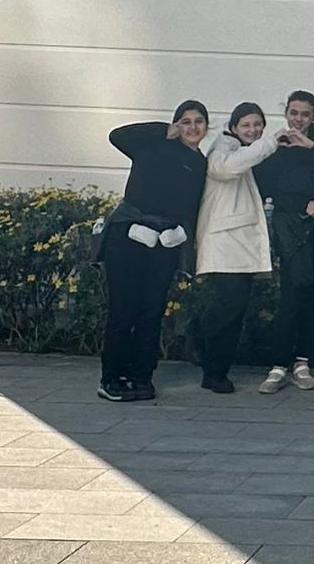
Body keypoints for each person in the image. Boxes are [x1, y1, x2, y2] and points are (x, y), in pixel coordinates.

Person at [97, 101, 209, 402]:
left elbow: (192, 207)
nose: (192, 127)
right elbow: (117, 136)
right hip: (128, 235)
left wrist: (184, 238)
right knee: (124, 309)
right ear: (177, 124)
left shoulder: (200, 164)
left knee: (152, 311)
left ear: (206, 127)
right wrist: (162, 130)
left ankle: (142, 376)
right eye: (185, 121)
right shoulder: (152, 145)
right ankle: (111, 378)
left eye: (198, 121)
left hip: (165, 242)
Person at [254, 89, 314, 394]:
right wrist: (302, 205)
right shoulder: (276, 146)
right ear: (286, 113)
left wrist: (312, 145)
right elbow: (265, 187)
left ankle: (302, 362)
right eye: (294, 113)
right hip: (291, 225)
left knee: (313, 293)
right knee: (292, 291)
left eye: (305, 114)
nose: (299, 119)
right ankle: (278, 365)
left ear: (313, 116)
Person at [191, 101, 276, 393]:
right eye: (246, 125)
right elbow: (226, 169)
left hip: (241, 246)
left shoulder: (246, 151)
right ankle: (213, 370)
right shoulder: (223, 148)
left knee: (234, 310)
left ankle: (210, 357)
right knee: (227, 309)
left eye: (258, 124)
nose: (253, 130)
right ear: (234, 127)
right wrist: (270, 143)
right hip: (224, 244)